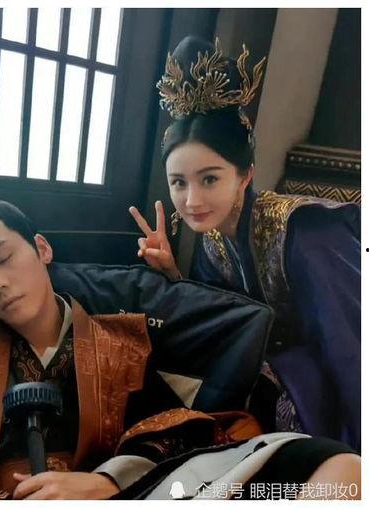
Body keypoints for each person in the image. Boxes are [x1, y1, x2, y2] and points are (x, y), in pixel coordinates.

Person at [0, 197, 360, 500]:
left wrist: (104, 482)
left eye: (4, 258)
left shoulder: (120, 344)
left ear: (42, 250)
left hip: (111, 494)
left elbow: (173, 432)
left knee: (334, 466)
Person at [129, 36, 361, 452]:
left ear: (245, 175)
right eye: (179, 183)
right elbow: (222, 321)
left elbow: (352, 350)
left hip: (325, 388)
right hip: (272, 378)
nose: (192, 201)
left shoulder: (305, 231)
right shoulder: (215, 239)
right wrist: (172, 274)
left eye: (210, 179)